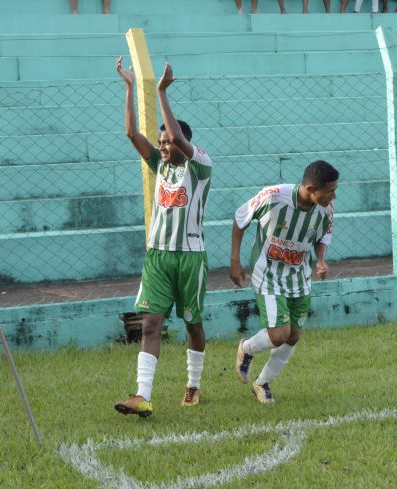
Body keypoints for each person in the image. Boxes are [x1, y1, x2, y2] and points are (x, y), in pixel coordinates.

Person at [113, 56, 213, 417]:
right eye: (161, 142)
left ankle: (193, 383)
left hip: (190, 258)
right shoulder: (160, 166)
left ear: (183, 142)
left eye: (169, 142)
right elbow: (130, 134)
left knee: (193, 324)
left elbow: (178, 138)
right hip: (158, 257)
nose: (164, 146)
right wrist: (128, 88)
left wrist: (161, 93)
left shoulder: (200, 167)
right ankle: (142, 395)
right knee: (151, 324)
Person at [230, 161, 338, 403]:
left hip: (299, 278)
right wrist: (235, 260)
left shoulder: (326, 208)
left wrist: (320, 260)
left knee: (293, 336)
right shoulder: (273, 197)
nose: (335, 195)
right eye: (330, 190)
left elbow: (324, 235)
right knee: (279, 334)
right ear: (311, 189)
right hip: (267, 274)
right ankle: (246, 348)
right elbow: (240, 219)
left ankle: (262, 383)